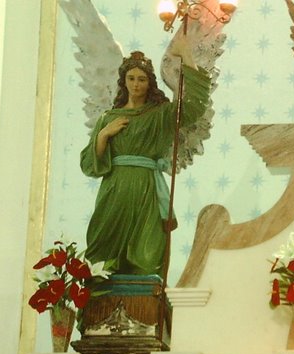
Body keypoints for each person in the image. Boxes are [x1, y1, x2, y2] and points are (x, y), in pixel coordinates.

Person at [80, 39, 210, 276]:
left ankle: (146, 302)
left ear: (150, 83)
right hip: (114, 192)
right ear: (123, 81)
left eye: (142, 79)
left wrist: (185, 56)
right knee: (103, 255)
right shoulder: (108, 118)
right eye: (131, 78)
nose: (136, 84)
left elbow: (193, 107)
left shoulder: (160, 115)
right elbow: (90, 165)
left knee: (148, 257)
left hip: (147, 193)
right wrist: (103, 136)